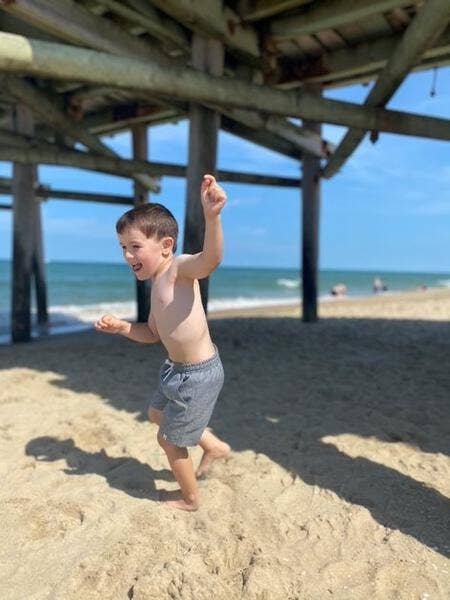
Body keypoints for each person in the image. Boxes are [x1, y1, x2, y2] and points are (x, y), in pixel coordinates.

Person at [95, 174, 230, 512]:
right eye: (123, 247)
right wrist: (125, 327)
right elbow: (153, 333)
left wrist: (211, 218)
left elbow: (210, 260)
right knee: (157, 413)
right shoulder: (155, 286)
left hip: (199, 374)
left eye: (135, 246)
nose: (127, 255)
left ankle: (189, 499)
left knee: (168, 440)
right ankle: (213, 446)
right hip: (176, 370)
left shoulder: (178, 269)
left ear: (166, 246)